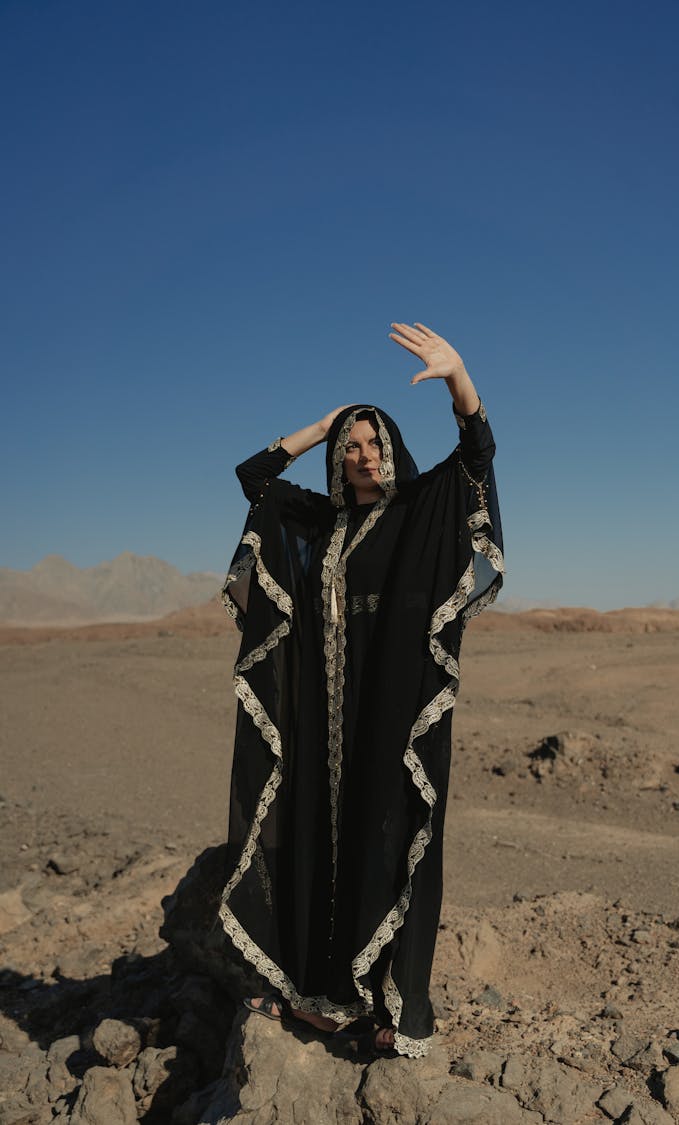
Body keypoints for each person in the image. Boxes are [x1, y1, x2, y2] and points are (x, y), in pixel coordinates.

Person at [219, 322, 504, 1057]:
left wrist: (457, 378)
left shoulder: (418, 510)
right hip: (321, 720)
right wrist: (324, 424)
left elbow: (478, 455)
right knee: (321, 842)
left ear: (395, 450)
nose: (364, 455)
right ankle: (320, 994)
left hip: (392, 718)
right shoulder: (318, 524)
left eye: (374, 441)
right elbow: (254, 478)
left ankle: (393, 1004)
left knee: (392, 845)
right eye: (352, 446)